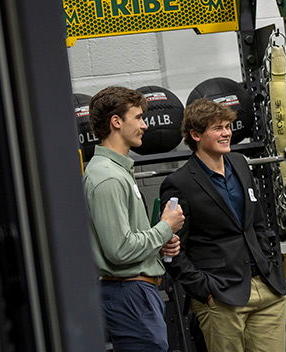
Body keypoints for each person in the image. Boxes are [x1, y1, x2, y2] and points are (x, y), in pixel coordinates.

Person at [158, 99, 286, 352]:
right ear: (196, 135)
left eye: (227, 126)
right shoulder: (179, 183)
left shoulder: (239, 163)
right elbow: (172, 251)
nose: (226, 133)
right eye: (217, 128)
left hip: (266, 288)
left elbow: (256, 222)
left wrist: (268, 260)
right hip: (221, 297)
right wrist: (205, 290)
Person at [84, 86, 184, 352]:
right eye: (138, 117)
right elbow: (119, 250)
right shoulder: (108, 178)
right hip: (129, 294)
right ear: (116, 122)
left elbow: (125, 239)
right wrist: (165, 228)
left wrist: (159, 245)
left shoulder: (118, 171)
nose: (145, 125)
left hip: (135, 293)